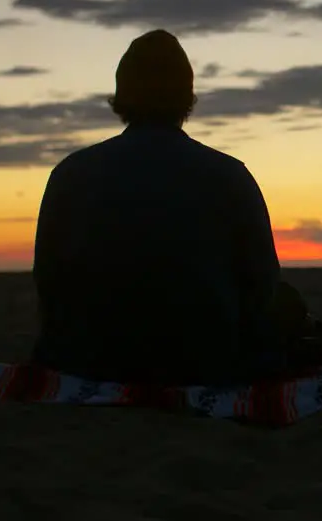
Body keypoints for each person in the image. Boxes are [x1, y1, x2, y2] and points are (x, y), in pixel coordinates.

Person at [30, 29, 295, 386]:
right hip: (204, 363)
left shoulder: (69, 174)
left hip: (87, 360)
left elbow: (48, 282)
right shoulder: (228, 175)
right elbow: (261, 283)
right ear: (186, 96)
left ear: (122, 95)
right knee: (289, 306)